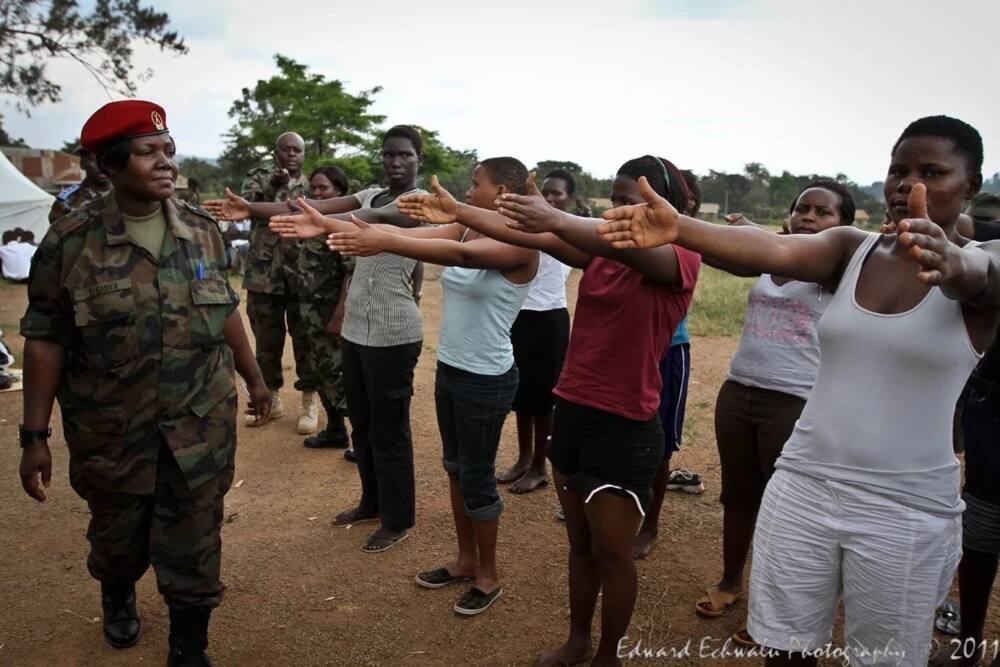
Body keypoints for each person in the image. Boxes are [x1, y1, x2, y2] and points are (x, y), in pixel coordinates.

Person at [596, 115, 999, 667]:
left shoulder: (986, 264)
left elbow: (978, 276)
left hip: (905, 508)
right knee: (784, 648)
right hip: (803, 486)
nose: (908, 185)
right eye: (898, 170)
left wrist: (951, 260)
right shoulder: (848, 249)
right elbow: (770, 251)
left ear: (971, 185)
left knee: (883, 658)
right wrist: (682, 228)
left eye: (932, 171)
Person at [397, 155, 700, 666]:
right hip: (574, 410)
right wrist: (463, 211)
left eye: (632, 201)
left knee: (613, 554)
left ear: (666, 205)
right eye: (616, 201)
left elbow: (563, 230)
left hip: (624, 424)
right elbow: (530, 233)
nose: (619, 212)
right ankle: (578, 641)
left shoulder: (679, 259)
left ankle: (608, 654)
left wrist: (552, 216)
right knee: (580, 546)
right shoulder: (600, 254)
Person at [17, 100, 272, 666]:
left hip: (198, 427)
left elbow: (225, 307)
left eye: (169, 150)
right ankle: (117, 593)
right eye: (147, 151)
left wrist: (255, 377)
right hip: (112, 432)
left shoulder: (203, 234)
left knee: (196, 540)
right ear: (109, 163)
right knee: (118, 540)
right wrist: (33, 434)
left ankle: (189, 643)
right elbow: (45, 337)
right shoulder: (70, 242)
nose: (165, 163)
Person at [290, 157, 538, 615]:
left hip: (487, 378)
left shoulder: (522, 242)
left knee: (478, 478)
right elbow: (410, 237)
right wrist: (329, 222)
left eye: (475, 184)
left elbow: (456, 256)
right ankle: (465, 561)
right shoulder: (466, 229)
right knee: (454, 469)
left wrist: (378, 237)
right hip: (452, 369)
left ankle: (489, 574)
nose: (467, 190)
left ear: (503, 191)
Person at [205, 125, 428, 549]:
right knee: (361, 425)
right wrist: (252, 208)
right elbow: (304, 203)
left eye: (404, 155)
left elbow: (371, 220)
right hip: (358, 330)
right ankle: (371, 502)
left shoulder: (419, 205)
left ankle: (398, 518)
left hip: (395, 331)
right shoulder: (369, 195)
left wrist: (322, 220)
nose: (395, 162)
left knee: (389, 429)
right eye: (389, 155)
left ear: (419, 159)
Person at [692, 182, 855, 649]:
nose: (808, 216)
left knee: (782, 511)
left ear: (841, 227)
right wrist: (749, 232)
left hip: (795, 402)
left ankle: (771, 610)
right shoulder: (769, 258)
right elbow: (723, 252)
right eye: (802, 208)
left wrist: (757, 231)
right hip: (739, 391)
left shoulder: (836, 270)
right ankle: (730, 582)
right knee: (738, 497)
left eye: (822, 212)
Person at [632, 168, 706, 560]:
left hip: (668, 350)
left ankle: (650, 523)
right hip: (631, 345)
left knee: (659, 443)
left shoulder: (682, 241)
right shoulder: (630, 230)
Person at [496, 168, 573, 494]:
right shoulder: (529, 225)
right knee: (521, 394)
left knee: (543, 400)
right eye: (546, 191)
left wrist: (532, 193)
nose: (550, 197)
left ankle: (540, 465)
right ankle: (524, 458)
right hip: (520, 316)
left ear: (570, 199)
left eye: (557, 193)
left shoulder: (568, 231)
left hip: (549, 321)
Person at [240, 131, 315, 433]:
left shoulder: (313, 184)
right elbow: (245, 208)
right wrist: (274, 186)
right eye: (286, 149)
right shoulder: (259, 178)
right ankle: (271, 397)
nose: (292, 154)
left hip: (301, 274)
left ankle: (310, 399)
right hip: (263, 275)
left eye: (297, 150)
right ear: (276, 153)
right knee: (266, 341)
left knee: (306, 339)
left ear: (303, 154)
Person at [299, 166, 354, 449]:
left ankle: (360, 438)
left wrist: (340, 315)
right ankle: (335, 430)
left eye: (324, 188)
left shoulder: (338, 225)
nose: (317, 193)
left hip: (332, 313)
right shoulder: (312, 222)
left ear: (339, 192)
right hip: (311, 314)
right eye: (314, 188)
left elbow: (350, 272)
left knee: (341, 374)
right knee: (322, 372)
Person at [49, 146, 113, 223]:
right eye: (93, 160)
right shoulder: (67, 201)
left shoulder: (126, 194)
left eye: (107, 159)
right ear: (82, 164)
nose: (101, 165)